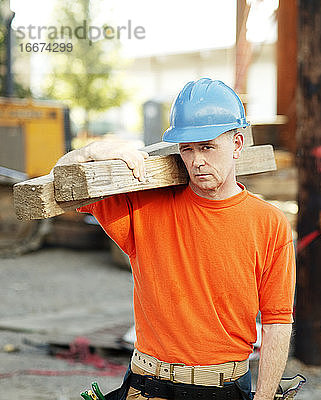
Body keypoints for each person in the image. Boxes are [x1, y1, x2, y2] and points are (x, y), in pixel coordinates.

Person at [55, 78, 296, 400]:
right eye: (188, 149)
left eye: (208, 147)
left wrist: (264, 398)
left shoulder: (269, 223)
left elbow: (278, 319)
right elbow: (60, 188)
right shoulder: (144, 206)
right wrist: (91, 152)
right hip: (146, 386)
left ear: (238, 144)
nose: (197, 161)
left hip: (222, 389)